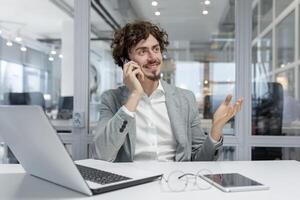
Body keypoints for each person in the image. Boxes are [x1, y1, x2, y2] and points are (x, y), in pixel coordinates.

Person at [92, 21, 243, 162]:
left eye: (156, 49)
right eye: (142, 51)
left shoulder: (185, 99)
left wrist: (216, 130)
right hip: (131, 185)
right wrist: (135, 94)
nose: (153, 57)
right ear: (127, 61)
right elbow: (102, 154)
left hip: (174, 183)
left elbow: (200, 161)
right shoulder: (111, 99)